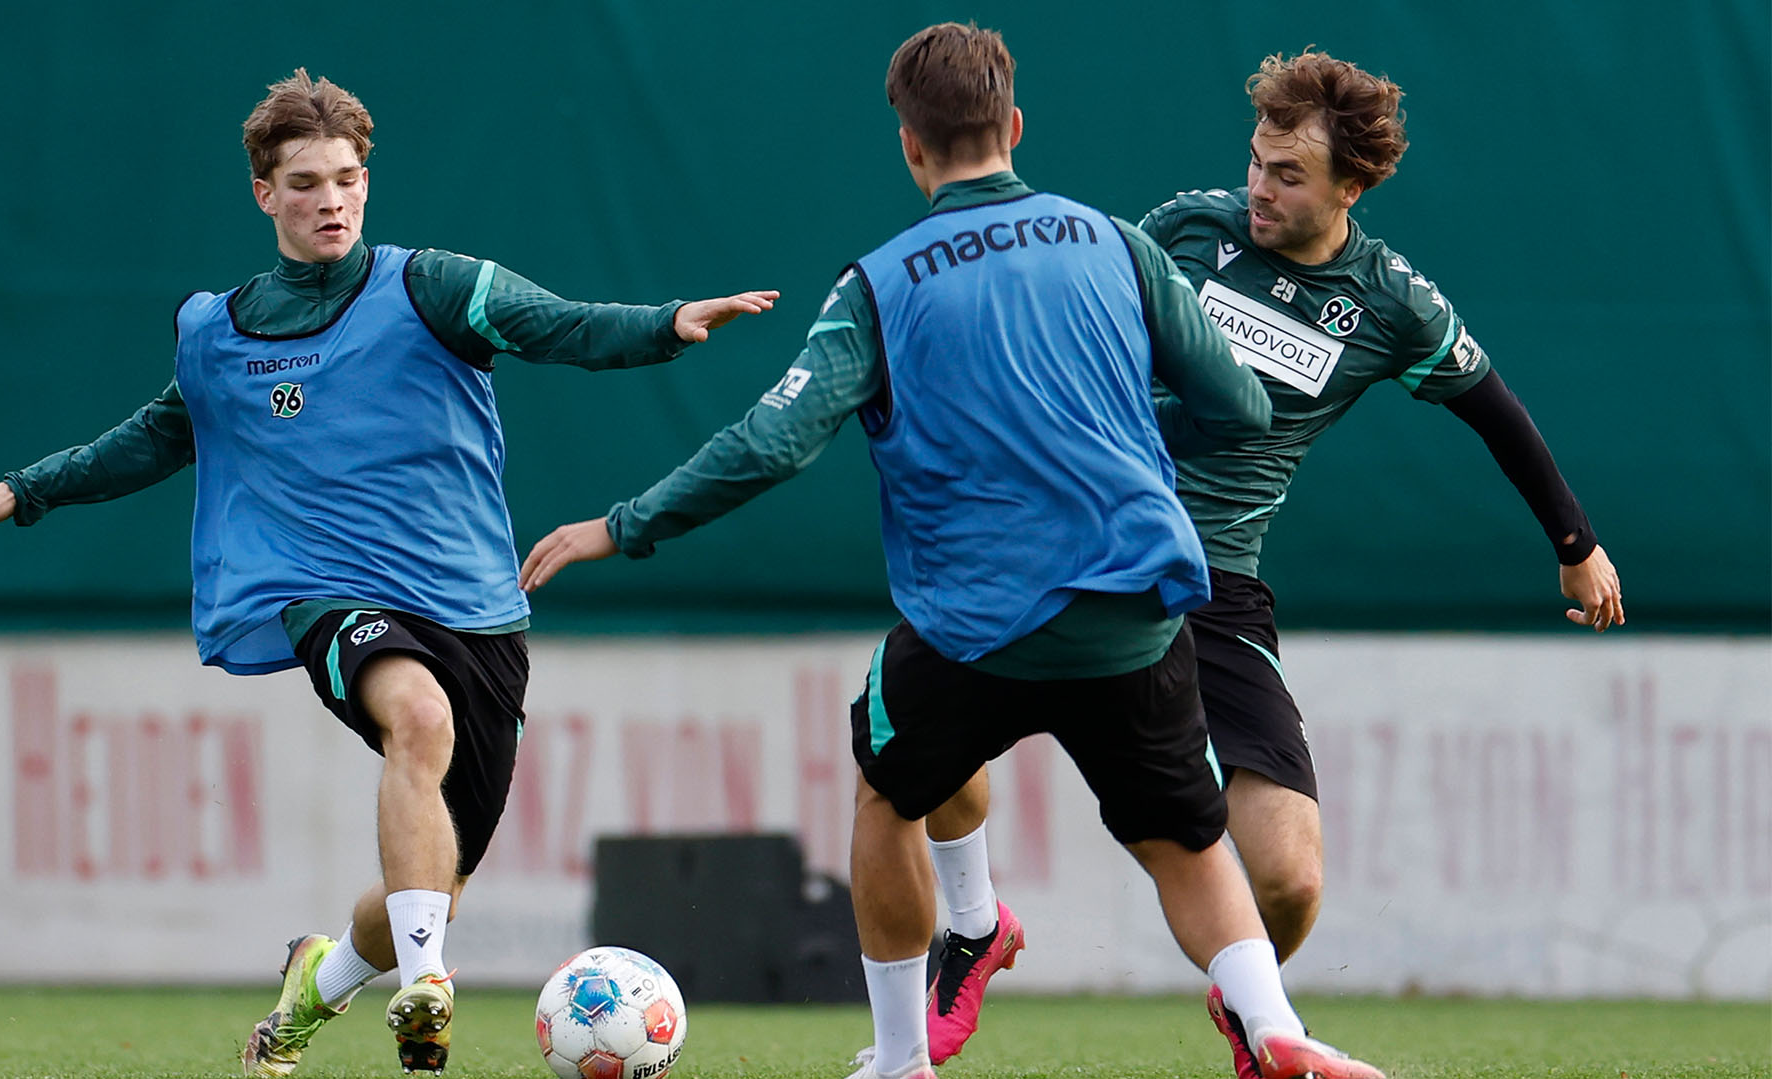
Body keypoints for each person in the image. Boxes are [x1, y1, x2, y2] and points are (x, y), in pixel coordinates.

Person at [519, 23, 1386, 1079]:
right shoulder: (1116, 242)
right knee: (1187, 837)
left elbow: (773, 443)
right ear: (1015, 127)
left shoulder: (881, 285)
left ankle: (901, 1056)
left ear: (910, 148)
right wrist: (1126, 441)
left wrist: (623, 523)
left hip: (980, 623)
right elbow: (1241, 405)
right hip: (1137, 602)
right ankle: (1271, 1022)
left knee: (888, 789)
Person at [0, 69, 775, 1077]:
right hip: (326, 593)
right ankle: (428, 986)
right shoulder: (220, 330)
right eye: (304, 183)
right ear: (264, 192)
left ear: (366, 182)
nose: (329, 199)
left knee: (430, 882)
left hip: (476, 604)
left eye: (345, 178)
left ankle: (315, 985)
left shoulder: (435, 285)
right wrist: (21, 490)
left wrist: (666, 323)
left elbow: (562, 325)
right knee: (415, 717)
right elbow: (155, 439)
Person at [913, 48, 1627, 1079]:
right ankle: (975, 919)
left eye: (1288, 175)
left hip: (1215, 587)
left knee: (1290, 882)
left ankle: (1252, 1018)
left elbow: (1495, 412)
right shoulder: (1188, 228)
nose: (1259, 186)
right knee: (927, 732)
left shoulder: (1391, 306)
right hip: (1071, 543)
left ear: (1353, 188)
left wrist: (1576, 544)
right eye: (1256, 161)